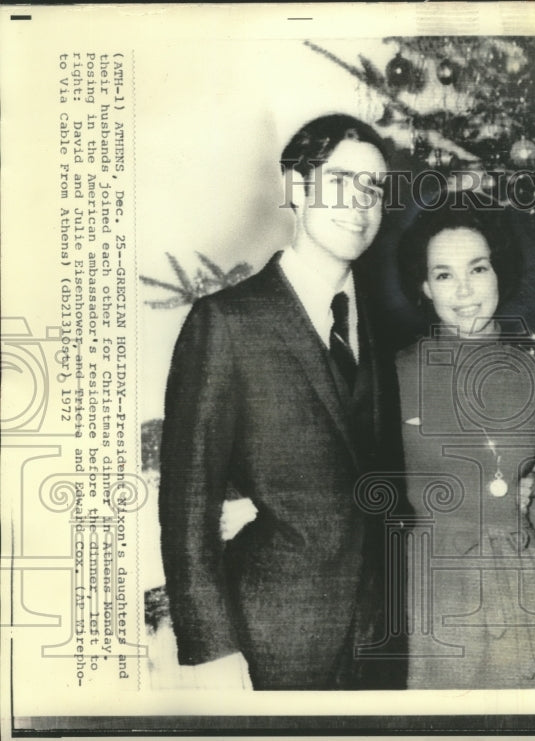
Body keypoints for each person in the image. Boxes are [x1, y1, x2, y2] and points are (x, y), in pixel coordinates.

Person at [158, 114, 405, 690]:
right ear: (296, 188)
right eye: (342, 180)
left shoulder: (380, 327)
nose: (360, 203)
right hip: (268, 646)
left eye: (375, 188)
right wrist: (213, 654)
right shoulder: (227, 323)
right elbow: (186, 509)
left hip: (375, 647)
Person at [394, 206, 535, 689]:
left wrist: (506, 526)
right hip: (435, 583)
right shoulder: (397, 374)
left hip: (525, 579)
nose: (464, 290)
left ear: (499, 272)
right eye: (443, 275)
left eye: (477, 268)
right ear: (425, 287)